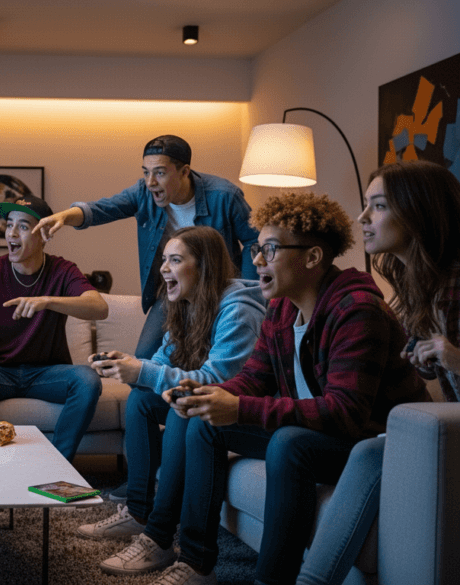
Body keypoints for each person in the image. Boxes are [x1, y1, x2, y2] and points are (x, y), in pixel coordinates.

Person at [109, 192, 429, 585]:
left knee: (289, 443)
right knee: (203, 420)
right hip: (323, 429)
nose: (257, 259)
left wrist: (241, 409)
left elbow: (345, 413)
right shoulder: (281, 308)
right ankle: (195, 563)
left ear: (312, 258)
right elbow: (254, 378)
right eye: (258, 248)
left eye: (270, 250)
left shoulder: (356, 310)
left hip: (370, 442)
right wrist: (210, 396)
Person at [296, 161, 460, 585]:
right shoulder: (418, 281)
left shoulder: (456, 284)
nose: (362, 219)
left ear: (418, 210)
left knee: (364, 450)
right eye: (365, 205)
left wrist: (452, 355)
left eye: (379, 206)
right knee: (368, 449)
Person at [77, 227, 266, 572]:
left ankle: (159, 538)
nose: (164, 268)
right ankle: (138, 512)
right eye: (164, 259)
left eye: (175, 260)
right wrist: (131, 366)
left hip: (245, 409)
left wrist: (143, 372)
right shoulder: (186, 305)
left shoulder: (238, 311)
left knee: (184, 410)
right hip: (213, 403)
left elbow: (215, 381)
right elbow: (165, 359)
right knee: (141, 400)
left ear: (204, 267)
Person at [33, 135, 259, 361]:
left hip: (218, 290)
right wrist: (64, 216)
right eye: (145, 172)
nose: (150, 182)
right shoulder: (143, 193)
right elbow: (102, 209)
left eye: (160, 173)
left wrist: (246, 290)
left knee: (213, 356)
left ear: (184, 171)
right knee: (145, 356)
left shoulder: (224, 195)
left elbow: (253, 240)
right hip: (173, 289)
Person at [0, 195, 109, 461]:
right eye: (10, 224)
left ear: (44, 234)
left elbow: (99, 307)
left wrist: (46, 301)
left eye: (23, 226)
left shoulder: (62, 270)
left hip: (46, 373)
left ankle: (57, 464)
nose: (12, 232)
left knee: (87, 380)